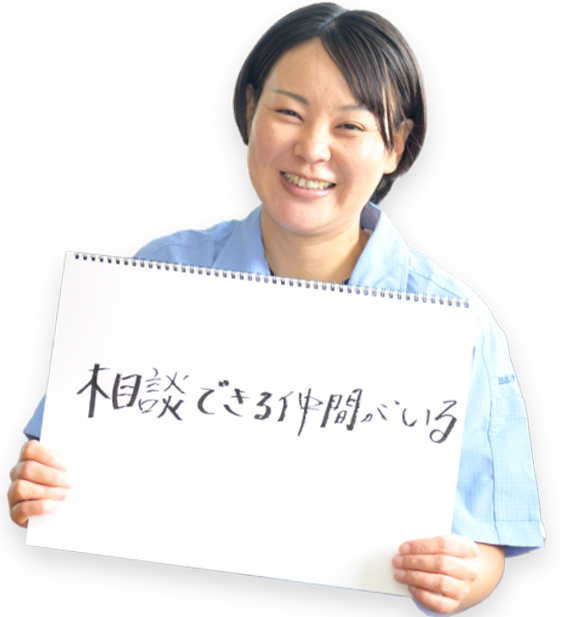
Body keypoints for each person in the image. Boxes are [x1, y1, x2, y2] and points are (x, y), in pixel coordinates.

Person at [8, 2, 544, 614]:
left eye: (350, 126)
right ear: (249, 110)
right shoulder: (158, 273)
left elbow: (488, 545)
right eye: (288, 112)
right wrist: (38, 487)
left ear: (395, 146)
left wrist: (460, 578)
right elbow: (58, 463)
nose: (312, 148)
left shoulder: (455, 323)